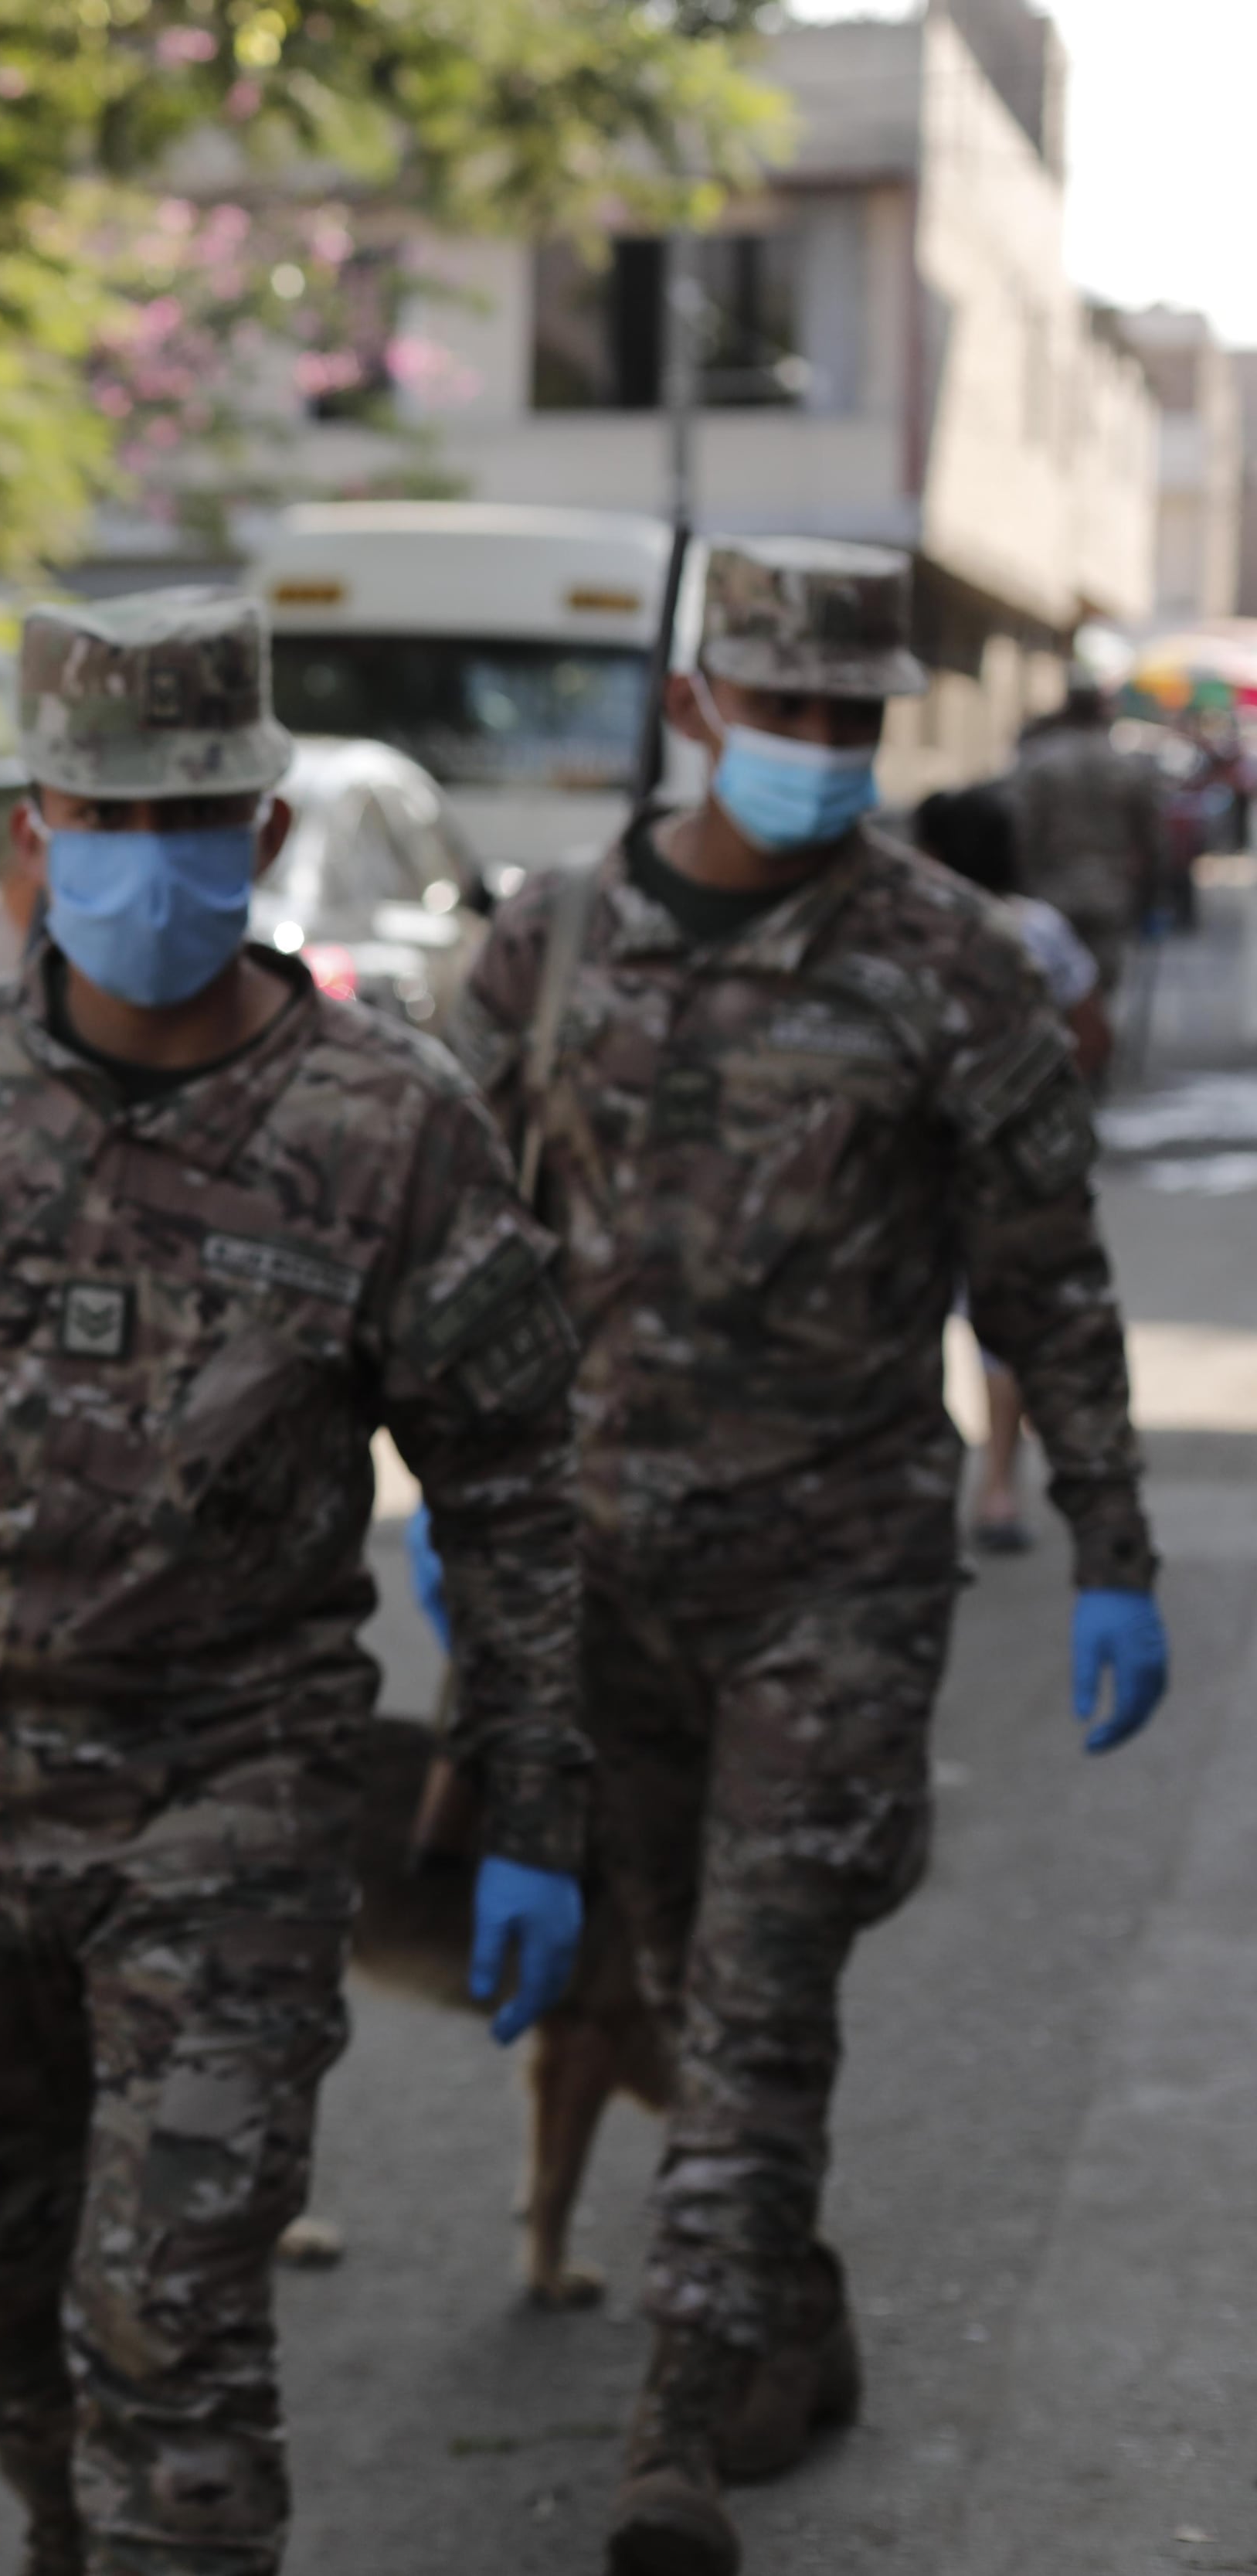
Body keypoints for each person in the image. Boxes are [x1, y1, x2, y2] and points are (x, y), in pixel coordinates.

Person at [0, 590, 589, 2576]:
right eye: (104, 819)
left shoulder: (386, 1123)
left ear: (265, 834)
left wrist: (537, 1808)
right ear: (40, 828)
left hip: (234, 1799)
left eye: (191, 820)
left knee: (178, 2323)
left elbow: (516, 1492)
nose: (146, 862)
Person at [457, 539, 1166, 2576]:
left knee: (764, 1994)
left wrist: (1111, 1534)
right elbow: (448, 1254)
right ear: (697, 708)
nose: (822, 752)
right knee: (680, 1975)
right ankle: (791, 2313)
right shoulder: (554, 944)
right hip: (599, 1583)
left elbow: (1048, 1267)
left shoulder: (949, 962)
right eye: (786, 712)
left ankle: (672, 2436)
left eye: (855, 720)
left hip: (836, 1575)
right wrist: (439, 1528)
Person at [909, 784, 1109, 1556]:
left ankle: (931, 1485)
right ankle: (996, 1488)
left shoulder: (902, 928)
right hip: (1010, 1165)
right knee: (1005, 1328)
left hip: (918, 1165)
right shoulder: (1039, 930)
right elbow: (1091, 1033)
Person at [998, 678, 1166, 1007]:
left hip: (1049, 893)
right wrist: (1153, 889)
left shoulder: (1038, 761)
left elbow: (1017, 830)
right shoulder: (1128, 765)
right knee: (1100, 994)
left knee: (1051, 994)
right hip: (1109, 891)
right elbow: (1153, 839)